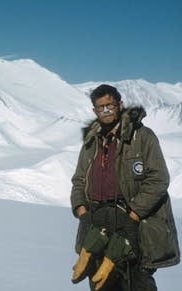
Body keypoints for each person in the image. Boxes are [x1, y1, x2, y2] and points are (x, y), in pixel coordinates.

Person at [70, 84, 180, 290]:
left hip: (133, 223)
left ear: (119, 105)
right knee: (100, 283)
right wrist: (82, 211)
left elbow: (158, 179)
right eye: (100, 107)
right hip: (96, 223)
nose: (106, 111)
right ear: (94, 110)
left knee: (135, 281)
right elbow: (78, 180)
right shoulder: (91, 141)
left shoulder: (142, 137)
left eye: (110, 105)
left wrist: (134, 214)